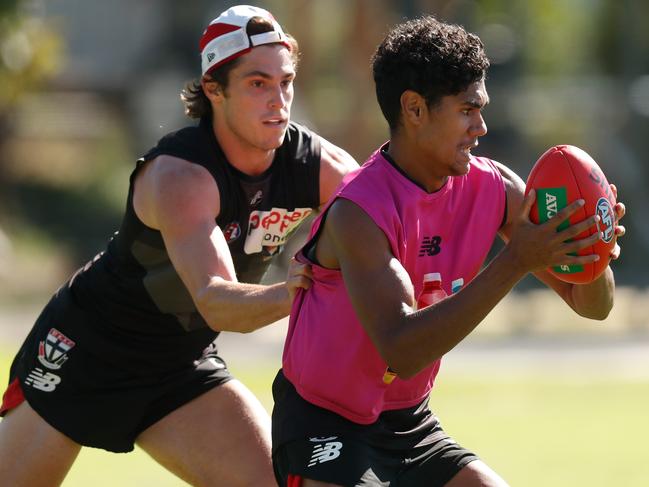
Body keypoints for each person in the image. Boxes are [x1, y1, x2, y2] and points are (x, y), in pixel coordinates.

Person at [0, 5, 357, 487]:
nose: (278, 100)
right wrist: (300, 289)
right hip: (89, 351)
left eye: (285, 82)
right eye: (257, 83)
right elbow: (216, 302)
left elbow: (394, 221)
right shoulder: (179, 174)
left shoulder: (318, 165)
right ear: (214, 89)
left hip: (180, 365)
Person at [271, 15, 626, 487]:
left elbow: (592, 306)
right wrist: (515, 262)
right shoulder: (359, 210)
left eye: (481, 109)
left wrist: (591, 247)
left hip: (409, 426)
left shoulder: (494, 187)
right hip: (326, 425)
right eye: (466, 110)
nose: (481, 126)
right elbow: (402, 350)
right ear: (414, 110)